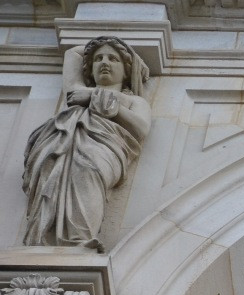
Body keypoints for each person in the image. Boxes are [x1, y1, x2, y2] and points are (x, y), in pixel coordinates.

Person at [22, 36, 152, 249]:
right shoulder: (76, 88)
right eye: (98, 59)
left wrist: (104, 104)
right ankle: (44, 236)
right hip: (62, 143)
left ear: (127, 70)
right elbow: (72, 53)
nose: (104, 63)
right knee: (52, 175)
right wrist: (105, 47)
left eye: (113, 59)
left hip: (102, 147)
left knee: (88, 172)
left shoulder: (135, 101)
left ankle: (79, 239)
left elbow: (141, 128)